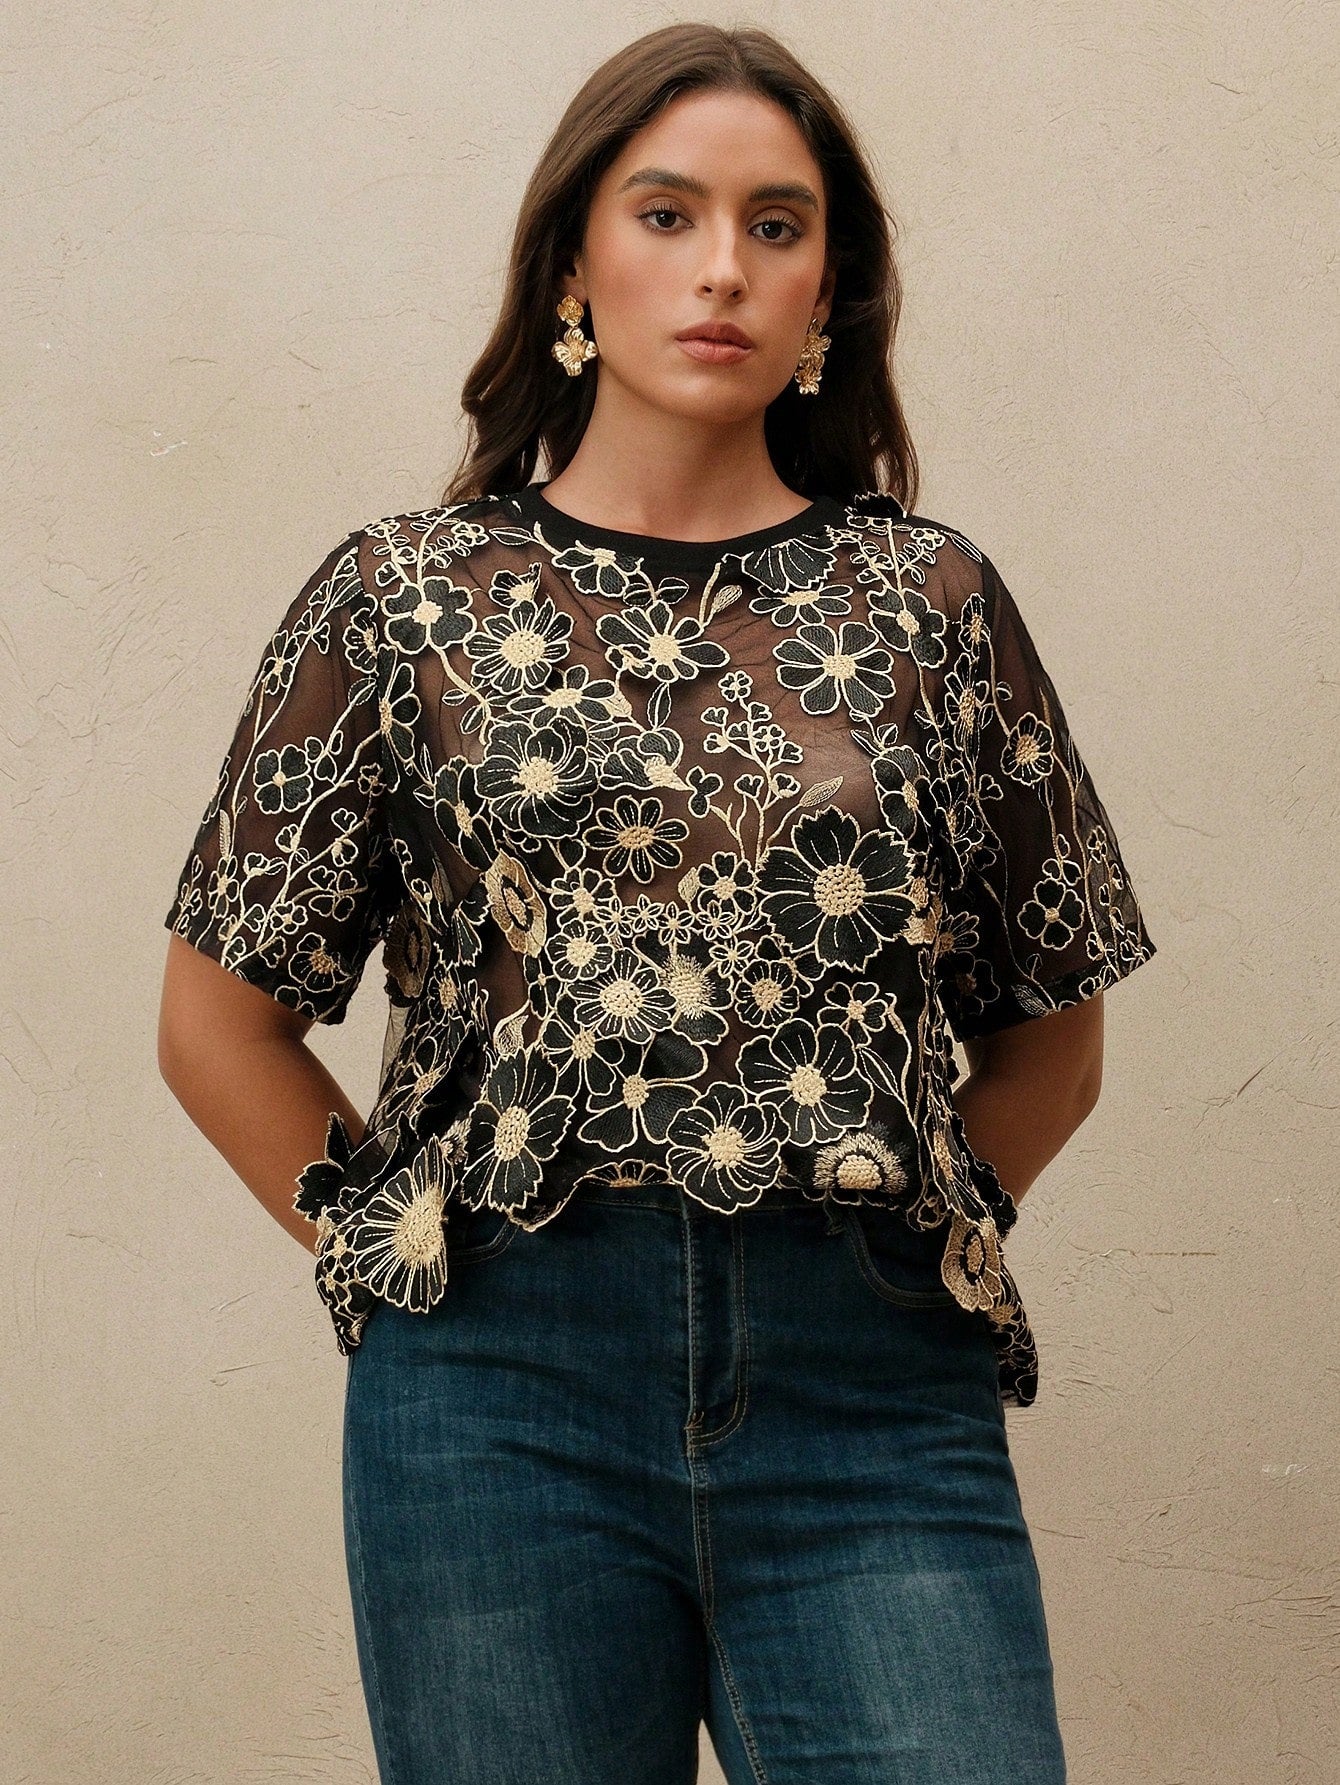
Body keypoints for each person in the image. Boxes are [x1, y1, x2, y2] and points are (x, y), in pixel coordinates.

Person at [158, 22, 1157, 1784]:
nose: (722, 268)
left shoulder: (928, 602)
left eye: (778, 224)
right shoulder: (403, 598)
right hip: (500, 1396)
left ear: (829, 285)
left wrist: (896, 1240)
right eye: (668, 212)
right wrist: (395, 1265)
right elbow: (215, 1019)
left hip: (871, 1396)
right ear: (573, 262)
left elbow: (1054, 1032)